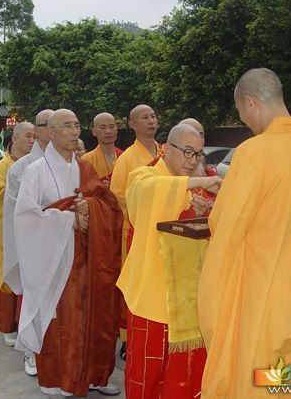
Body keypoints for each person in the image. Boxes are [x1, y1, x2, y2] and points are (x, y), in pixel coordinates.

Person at [198, 68, 291, 398]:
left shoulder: (254, 153)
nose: (245, 123)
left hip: (257, 301)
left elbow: (225, 227)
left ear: (251, 103)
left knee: (252, 382)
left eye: (241, 114)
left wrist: (213, 299)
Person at [14, 109, 122, 396]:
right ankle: (60, 380)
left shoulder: (84, 167)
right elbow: (26, 218)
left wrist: (91, 208)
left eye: (76, 125)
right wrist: (68, 218)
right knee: (63, 322)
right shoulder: (34, 171)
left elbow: (106, 203)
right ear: (50, 132)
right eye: (67, 126)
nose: (75, 131)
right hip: (54, 261)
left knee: (94, 317)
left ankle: (94, 377)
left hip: (88, 257)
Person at [117, 124, 222, 399]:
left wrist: (207, 209)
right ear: (167, 148)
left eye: (198, 155)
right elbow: (150, 192)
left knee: (183, 378)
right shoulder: (145, 175)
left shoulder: (195, 191)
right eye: (188, 152)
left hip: (188, 300)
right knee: (146, 375)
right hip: (151, 296)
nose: (192, 161)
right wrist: (198, 183)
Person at [3, 109, 54, 376]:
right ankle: (30, 352)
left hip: (62, 244)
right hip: (33, 245)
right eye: (50, 125)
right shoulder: (20, 169)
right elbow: (16, 213)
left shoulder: (69, 164)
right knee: (32, 298)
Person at [110, 104, 162, 358]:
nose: (151, 121)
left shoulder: (166, 152)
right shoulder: (127, 159)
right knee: (136, 284)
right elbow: (119, 196)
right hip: (135, 231)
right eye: (144, 117)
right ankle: (129, 338)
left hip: (164, 231)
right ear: (132, 124)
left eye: (153, 116)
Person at [0, 122, 35, 347]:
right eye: (28, 136)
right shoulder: (2, 167)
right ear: (14, 139)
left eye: (35, 136)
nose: (32, 140)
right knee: (8, 278)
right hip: (6, 231)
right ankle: (7, 327)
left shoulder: (37, 164)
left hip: (32, 230)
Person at [81, 112, 123, 185]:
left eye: (112, 127)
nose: (108, 131)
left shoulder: (125, 157)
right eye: (103, 128)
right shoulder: (86, 160)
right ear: (94, 131)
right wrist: (100, 186)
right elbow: (84, 188)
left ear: (116, 130)